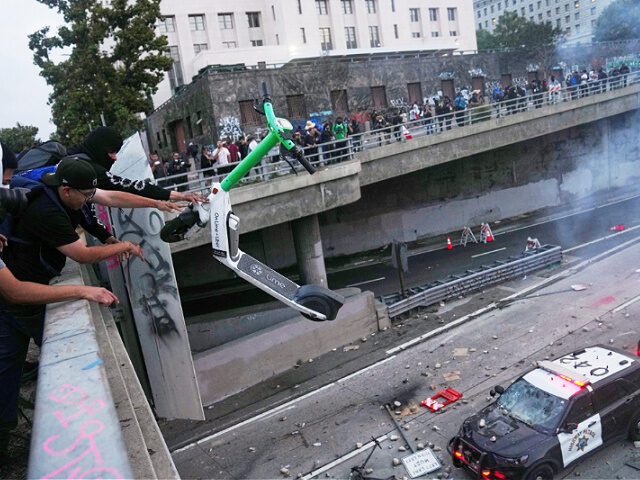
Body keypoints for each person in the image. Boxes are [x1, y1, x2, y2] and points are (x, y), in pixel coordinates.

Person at [0, 158, 143, 461]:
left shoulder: (57, 196)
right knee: (67, 367)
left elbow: (96, 212)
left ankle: (6, 430)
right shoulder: (46, 209)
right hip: (19, 295)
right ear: (66, 191)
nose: (89, 201)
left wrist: (110, 236)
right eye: (86, 195)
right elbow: (80, 256)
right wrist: (120, 251)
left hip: (18, 294)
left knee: (7, 365)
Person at [67, 127, 205, 204]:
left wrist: (106, 238)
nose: (115, 158)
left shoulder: (73, 159)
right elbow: (132, 188)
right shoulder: (88, 170)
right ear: (99, 148)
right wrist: (179, 196)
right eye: (111, 152)